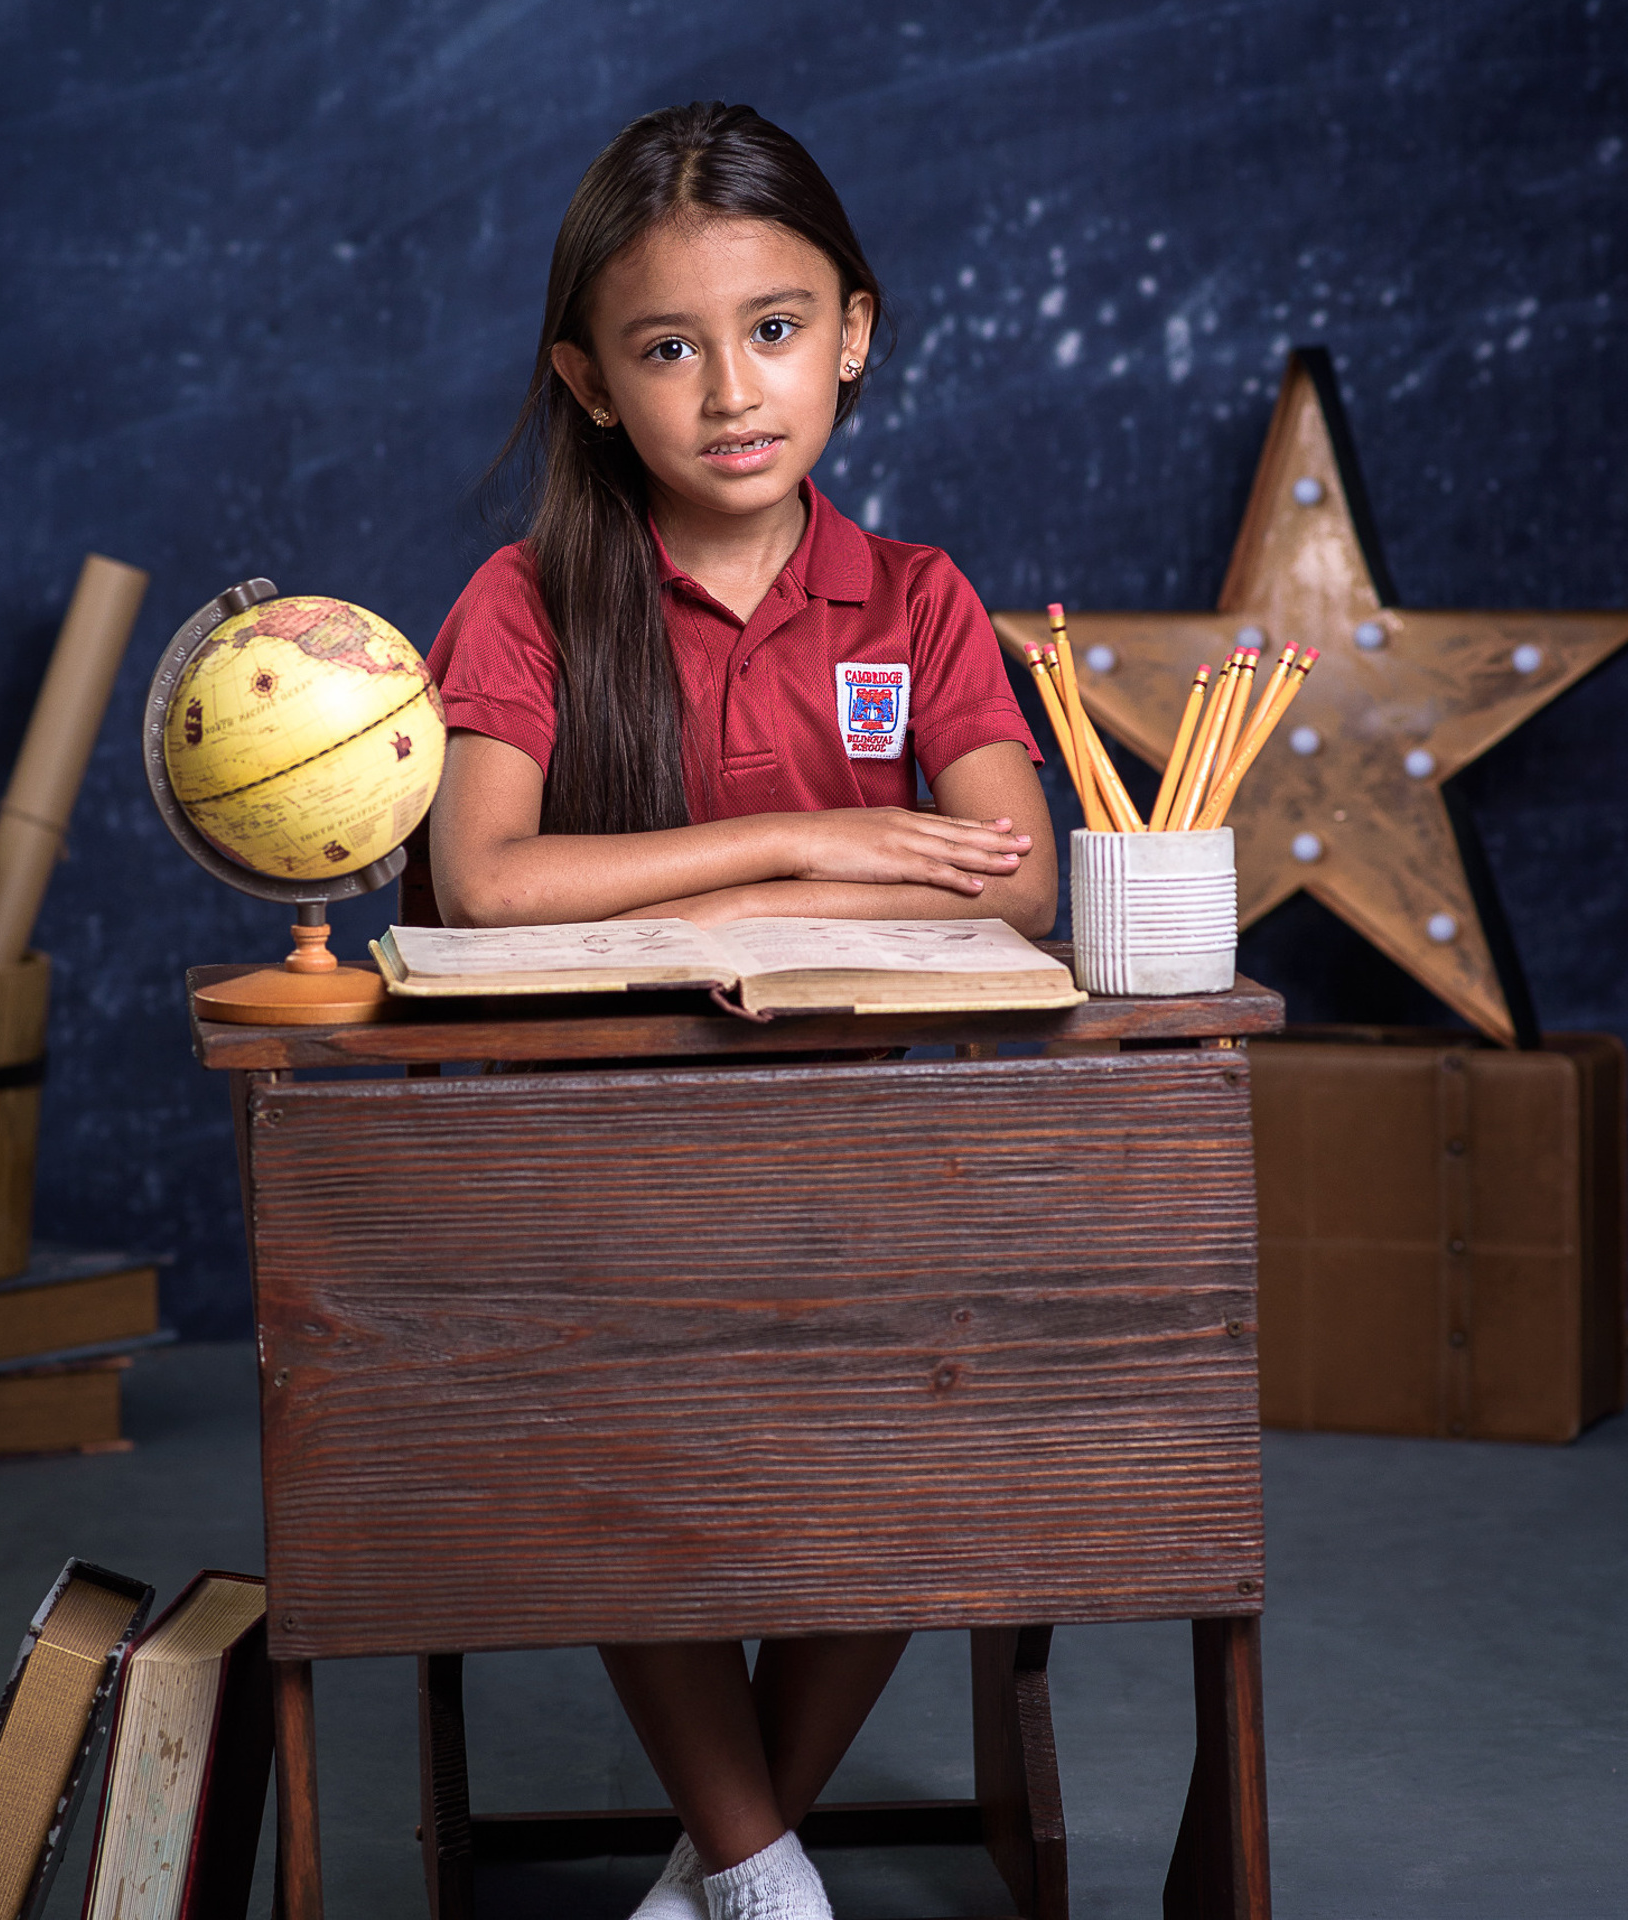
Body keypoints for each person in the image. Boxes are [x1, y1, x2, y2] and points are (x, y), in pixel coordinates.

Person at [424, 101, 1057, 1920]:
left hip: (877, 1158)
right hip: (610, 1169)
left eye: (775, 330)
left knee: (935, 1433)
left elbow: (1012, 872)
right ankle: (767, 1870)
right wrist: (809, 834)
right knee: (621, 1446)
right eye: (667, 348)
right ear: (588, 381)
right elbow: (490, 879)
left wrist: (724, 888)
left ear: (853, 331)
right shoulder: (529, 594)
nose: (731, 392)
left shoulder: (918, 599)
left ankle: (730, 1862)